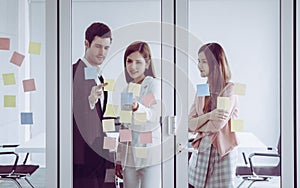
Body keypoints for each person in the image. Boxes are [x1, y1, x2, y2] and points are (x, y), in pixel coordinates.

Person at [188, 42, 239, 188]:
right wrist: (209, 116)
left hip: (221, 154)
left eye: (204, 61)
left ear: (216, 63)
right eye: (198, 61)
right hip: (202, 153)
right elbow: (189, 124)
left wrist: (199, 123)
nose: (199, 65)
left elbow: (218, 125)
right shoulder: (202, 89)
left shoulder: (229, 89)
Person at [115, 41, 162, 188]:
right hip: (129, 157)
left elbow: (152, 114)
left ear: (147, 64)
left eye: (138, 62)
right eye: (129, 61)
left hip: (149, 153)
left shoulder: (152, 85)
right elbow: (124, 127)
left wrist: (136, 107)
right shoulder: (126, 90)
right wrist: (118, 158)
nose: (132, 66)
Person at [73, 22, 112, 188]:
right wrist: (88, 101)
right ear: (86, 44)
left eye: (106, 47)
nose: (102, 52)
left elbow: (99, 116)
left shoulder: (99, 77)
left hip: (98, 152)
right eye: (97, 46)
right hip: (82, 156)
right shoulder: (72, 72)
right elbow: (67, 111)